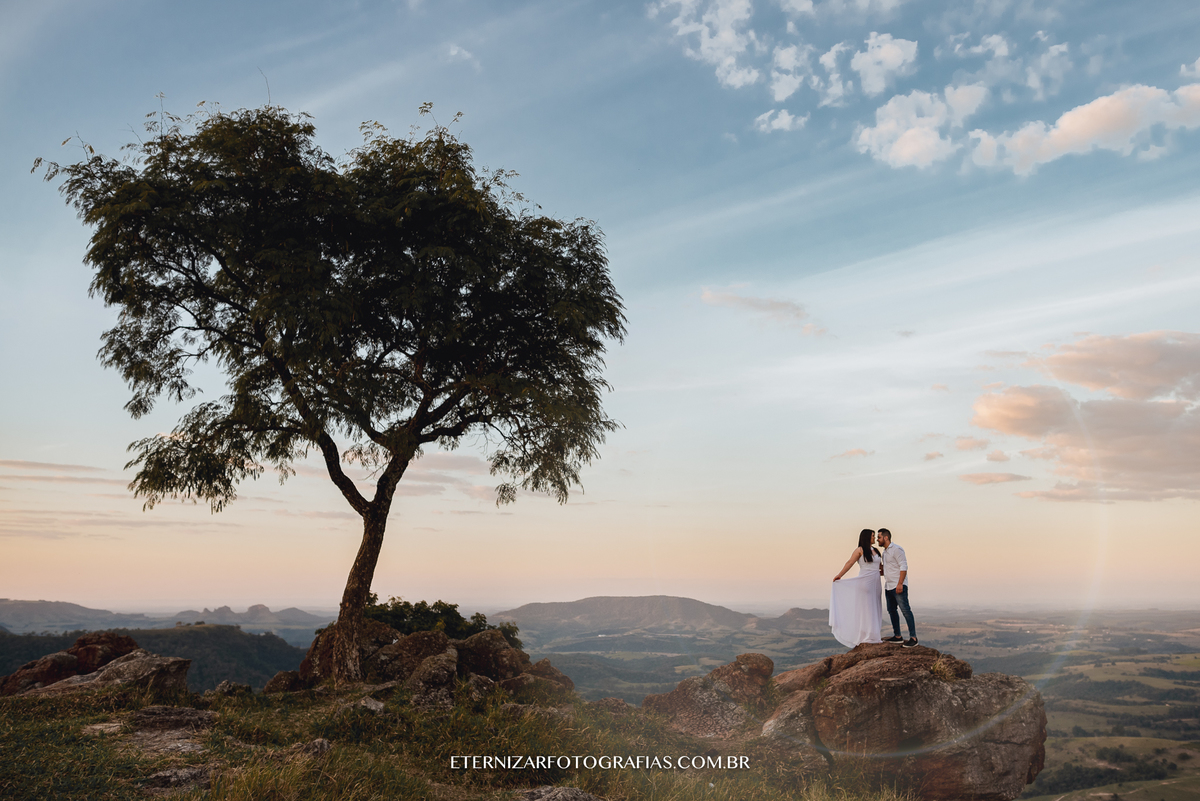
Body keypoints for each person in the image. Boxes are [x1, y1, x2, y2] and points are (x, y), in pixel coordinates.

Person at [828, 529, 883, 648]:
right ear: (867, 537)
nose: (874, 538)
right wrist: (840, 575)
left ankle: (874, 635)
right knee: (867, 608)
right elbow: (850, 562)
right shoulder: (860, 550)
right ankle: (867, 636)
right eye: (873, 536)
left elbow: (880, 567)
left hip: (876, 582)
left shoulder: (876, 550)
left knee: (876, 606)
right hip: (865, 582)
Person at [878, 527, 917, 647]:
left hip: (898, 586)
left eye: (879, 537)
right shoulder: (884, 553)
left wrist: (900, 583)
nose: (877, 540)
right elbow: (888, 570)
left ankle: (913, 638)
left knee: (905, 610)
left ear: (886, 537)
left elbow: (903, 567)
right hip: (888, 586)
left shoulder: (897, 549)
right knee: (891, 611)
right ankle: (898, 636)